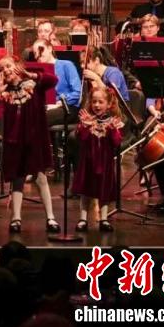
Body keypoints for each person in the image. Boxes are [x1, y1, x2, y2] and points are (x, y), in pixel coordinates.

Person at [0, 56, 60, 234]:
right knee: (17, 179)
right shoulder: (5, 93)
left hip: (34, 139)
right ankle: (16, 218)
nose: (6, 70)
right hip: (14, 142)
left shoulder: (33, 84)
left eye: (9, 66)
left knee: (41, 177)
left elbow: (53, 80)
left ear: (18, 65)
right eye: (2, 69)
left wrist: (31, 74)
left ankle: (50, 217)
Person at [71, 87, 123, 232]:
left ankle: (104, 218)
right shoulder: (87, 120)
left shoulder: (112, 122)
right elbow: (81, 139)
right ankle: (83, 219)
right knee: (86, 190)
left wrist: (112, 130)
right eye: (94, 102)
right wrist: (85, 127)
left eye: (101, 102)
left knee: (104, 190)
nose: (97, 105)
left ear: (108, 104)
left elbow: (116, 142)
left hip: (105, 163)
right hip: (88, 162)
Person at [32, 39, 81, 126]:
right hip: (47, 107)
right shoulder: (37, 73)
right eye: (35, 53)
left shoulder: (66, 65)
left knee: (39, 118)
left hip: (67, 107)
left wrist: (58, 103)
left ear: (50, 48)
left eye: (41, 49)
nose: (38, 55)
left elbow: (77, 93)